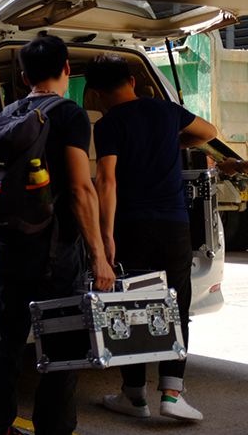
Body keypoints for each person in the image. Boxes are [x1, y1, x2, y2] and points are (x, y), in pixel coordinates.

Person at [0, 35, 115, 435]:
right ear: (67, 69)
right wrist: (99, 255)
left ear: (24, 77)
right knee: (63, 347)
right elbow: (80, 189)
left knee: (5, 343)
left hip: (10, 249)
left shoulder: (4, 117)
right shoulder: (69, 115)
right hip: (57, 253)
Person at [87, 54, 217, 421]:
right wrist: (173, 142)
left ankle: (134, 395)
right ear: (132, 80)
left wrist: (106, 235)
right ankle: (172, 394)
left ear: (95, 93)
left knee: (132, 306)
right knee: (176, 304)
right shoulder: (166, 111)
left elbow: (106, 180)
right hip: (174, 225)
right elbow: (208, 132)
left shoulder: (108, 124)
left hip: (131, 226)